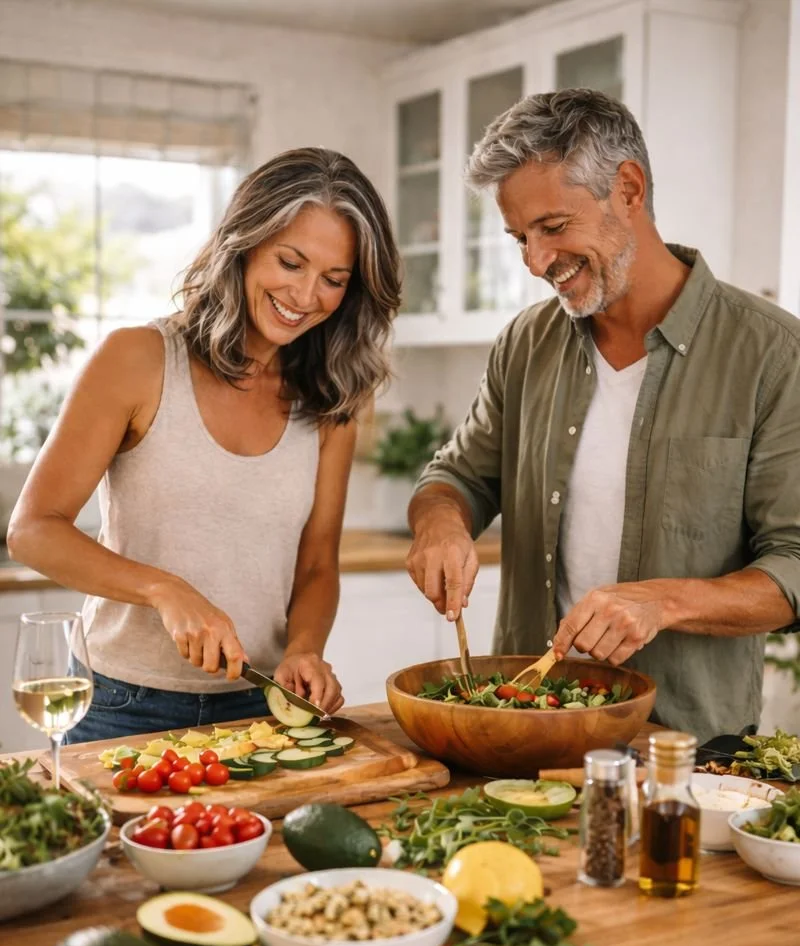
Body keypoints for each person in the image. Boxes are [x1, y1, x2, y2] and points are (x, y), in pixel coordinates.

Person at [406, 89, 800, 743]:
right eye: (519, 238)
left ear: (629, 188)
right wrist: (441, 526)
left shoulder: (772, 354)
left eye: (553, 227)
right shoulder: (525, 343)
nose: (535, 262)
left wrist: (663, 602)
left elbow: (793, 563)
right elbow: (459, 476)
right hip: (526, 725)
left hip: (685, 744)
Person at [8, 147, 400, 741]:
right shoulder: (137, 360)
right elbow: (34, 530)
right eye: (291, 262)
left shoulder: (333, 396)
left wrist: (304, 649)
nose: (305, 295)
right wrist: (164, 590)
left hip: (261, 709)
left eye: (334, 280)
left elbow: (317, 562)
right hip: (123, 705)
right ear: (243, 245)